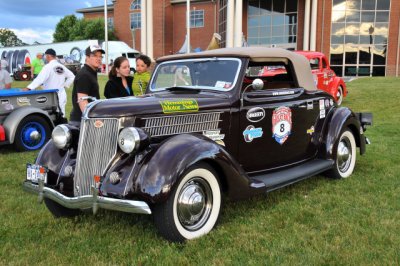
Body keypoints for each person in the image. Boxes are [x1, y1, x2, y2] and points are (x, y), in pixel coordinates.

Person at [24, 49, 75, 117]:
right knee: (62, 114)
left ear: (48, 56)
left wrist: (29, 88)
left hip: (50, 96)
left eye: (45, 56)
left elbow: (40, 79)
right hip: (61, 94)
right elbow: (72, 76)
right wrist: (65, 85)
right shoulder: (61, 66)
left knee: (51, 116)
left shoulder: (47, 67)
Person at [69, 44, 105, 124]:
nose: (99, 59)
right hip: (82, 121)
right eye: (95, 56)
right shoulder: (84, 75)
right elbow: (82, 101)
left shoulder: (91, 72)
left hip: (85, 118)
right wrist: (92, 122)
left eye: (100, 56)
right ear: (87, 57)